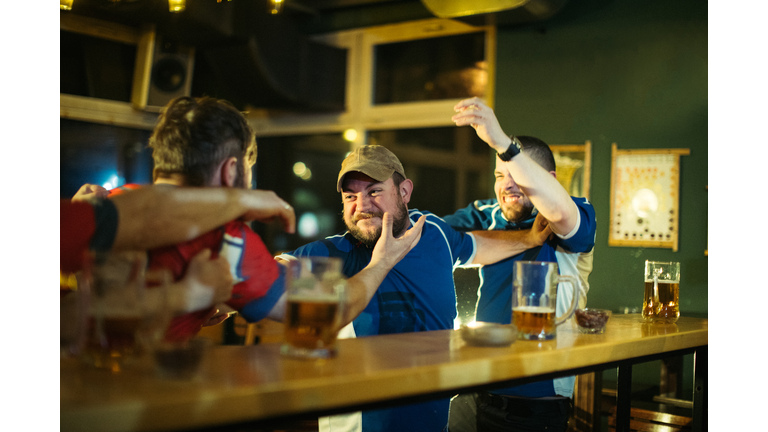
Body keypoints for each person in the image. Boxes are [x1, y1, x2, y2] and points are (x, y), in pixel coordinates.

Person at [276, 144, 553, 432]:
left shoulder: (433, 232)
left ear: (404, 192)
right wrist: (229, 296)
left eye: (374, 191)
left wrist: (529, 238)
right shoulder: (336, 254)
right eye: (350, 197)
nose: (362, 206)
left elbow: (477, 245)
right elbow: (272, 278)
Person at [446, 97, 597, 432]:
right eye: (500, 174)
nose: (506, 184)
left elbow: (560, 214)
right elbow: (429, 239)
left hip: (536, 396)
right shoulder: (486, 213)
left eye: (515, 172)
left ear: (550, 178)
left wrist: (502, 143)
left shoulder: (573, 210)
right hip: (475, 384)